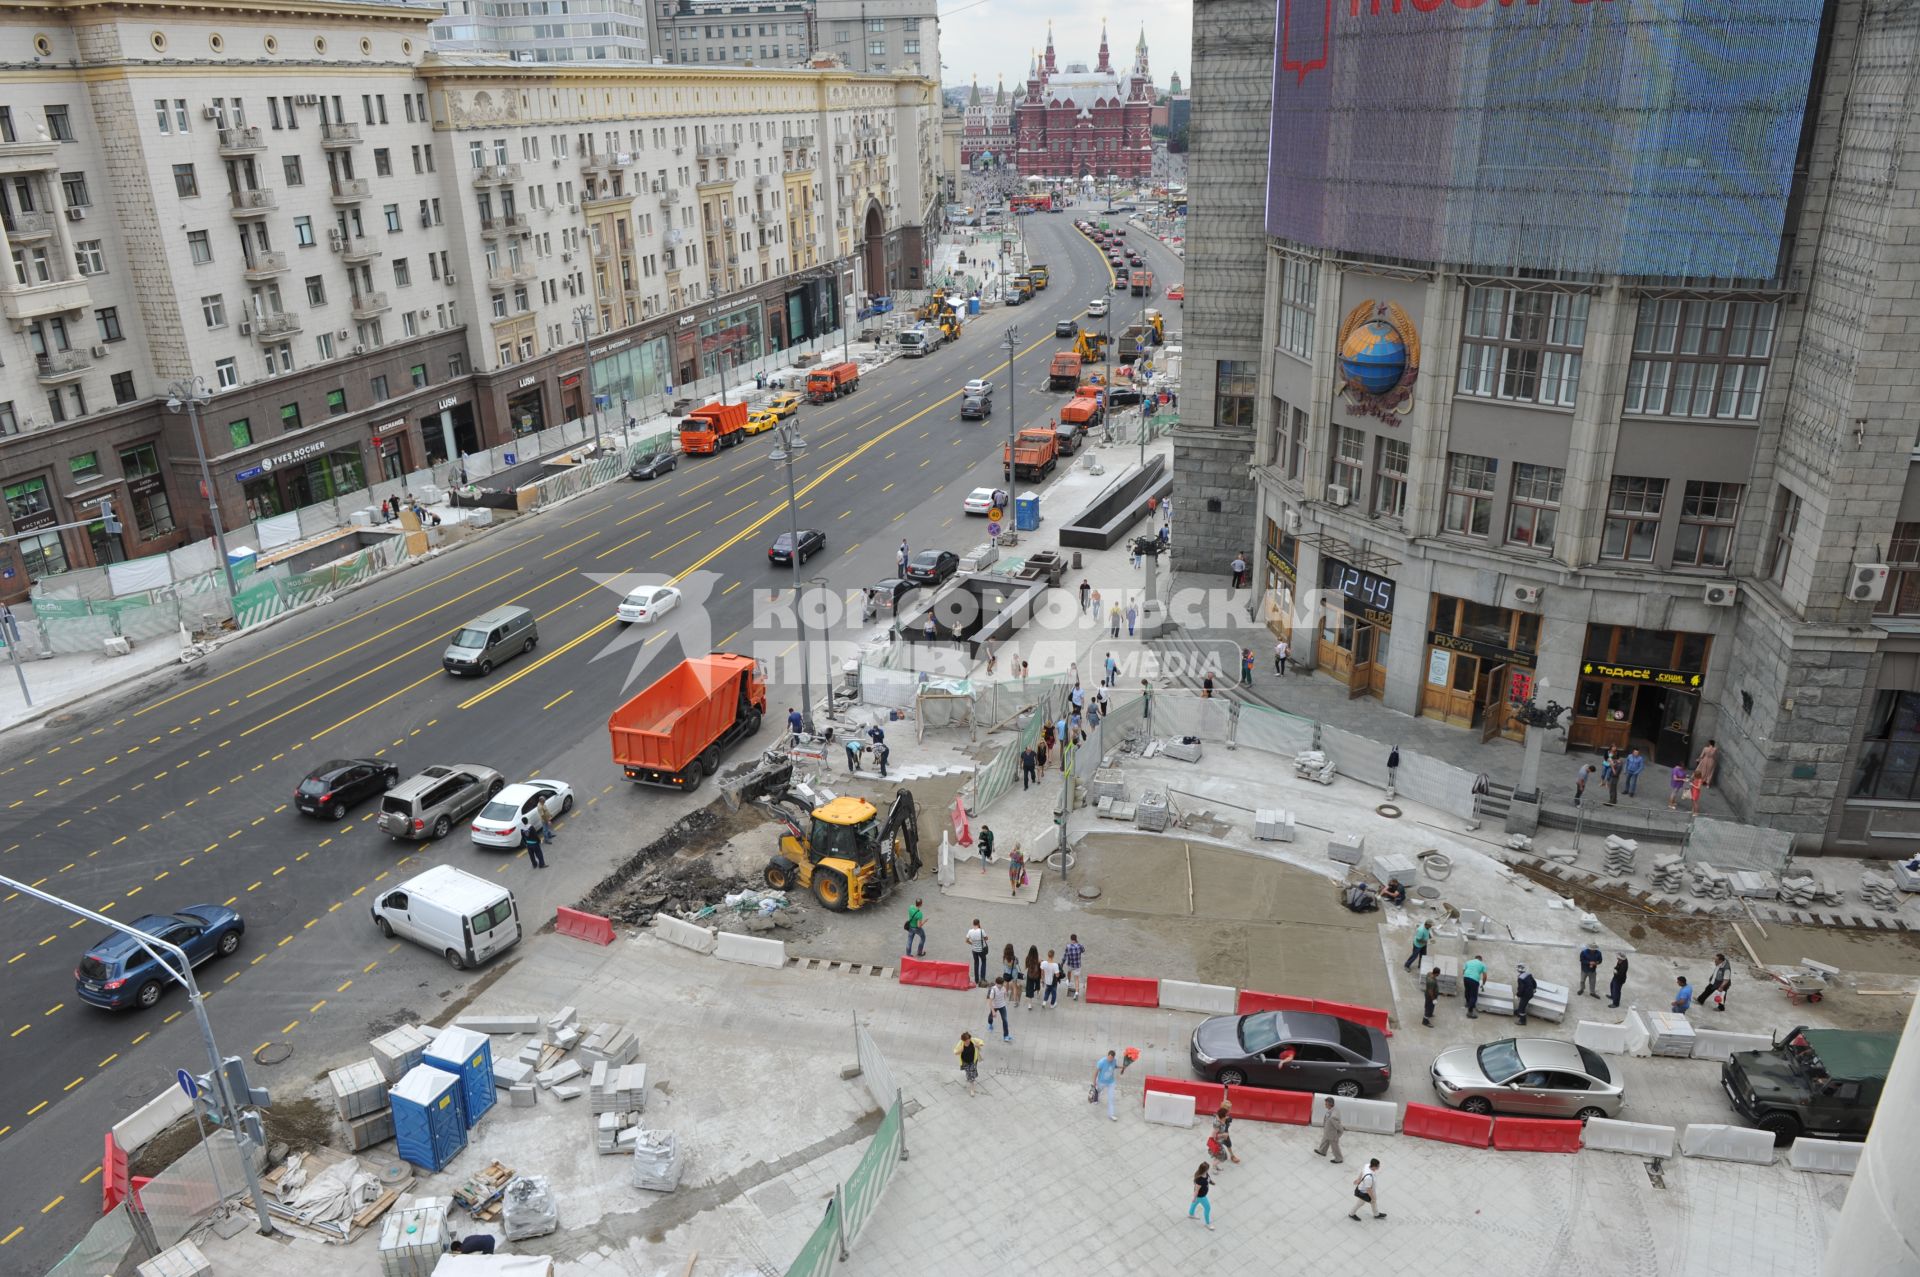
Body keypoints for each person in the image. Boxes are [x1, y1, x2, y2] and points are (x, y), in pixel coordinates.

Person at [1314, 1096, 1344, 1163]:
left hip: (1332, 1133)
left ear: (1330, 1104)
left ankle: (1339, 1159)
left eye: (1326, 1104)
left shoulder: (1333, 1116)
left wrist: (1340, 1132)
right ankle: (1322, 1151)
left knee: (1334, 1146)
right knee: (1325, 1141)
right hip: (1328, 1131)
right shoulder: (1332, 1109)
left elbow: (1338, 1125)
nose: (1325, 1105)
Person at [1212, 1101, 1242, 1166]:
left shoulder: (1225, 1115)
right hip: (1220, 1136)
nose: (1230, 1109)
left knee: (1228, 1144)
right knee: (1219, 1151)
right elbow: (1214, 1135)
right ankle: (1215, 1164)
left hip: (1225, 1133)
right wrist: (1223, 1134)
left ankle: (1232, 1156)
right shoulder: (1218, 1120)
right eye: (1229, 1108)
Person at [1092, 1050, 1120, 1120]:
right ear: (1107, 1055)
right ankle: (1095, 1098)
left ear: (1113, 1058)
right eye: (1109, 1057)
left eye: (1111, 1058)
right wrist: (1094, 1082)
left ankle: (1111, 1115)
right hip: (1101, 1082)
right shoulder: (1101, 1062)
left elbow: (1115, 1066)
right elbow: (1096, 1072)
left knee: (1111, 1098)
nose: (1109, 1059)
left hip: (1111, 1082)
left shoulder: (1114, 1061)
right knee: (1098, 1091)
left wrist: (1122, 1067)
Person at [954, 1031, 982, 1097]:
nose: (967, 1041)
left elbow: (981, 1042)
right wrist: (960, 1050)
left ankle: (972, 1090)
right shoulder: (961, 1043)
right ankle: (971, 1076)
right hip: (965, 1062)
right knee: (969, 1072)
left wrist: (977, 1045)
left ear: (969, 1038)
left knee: (971, 1076)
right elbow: (955, 1052)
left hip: (973, 1061)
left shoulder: (973, 1041)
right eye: (965, 1040)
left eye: (967, 1040)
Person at [1188, 1162, 1214, 1229]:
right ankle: (1208, 1224)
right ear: (1205, 1169)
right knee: (1208, 1208)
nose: (1209, 1169)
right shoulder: (1200, 1180)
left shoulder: (1205, 1173)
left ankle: (1191, 1214)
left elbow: (1208, 1179)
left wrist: (1211, 1182)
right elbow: (1196, 1190)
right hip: (1201, 1196)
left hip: (1201, 1195)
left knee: (1195, 1203)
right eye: (1208, 1168)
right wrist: (1194, 1197)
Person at [986, 975, 1012, 1041]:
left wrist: (1006, 993)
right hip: (994, 1006)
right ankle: (990, 1024)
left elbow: (1005, 995)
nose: (1000, 986)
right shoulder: (993, 990)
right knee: (991, 1016)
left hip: (1002, 1005)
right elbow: (990, 1002)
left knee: (1005, 1020)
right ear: (996, 983)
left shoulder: (1003, 988)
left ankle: (1006, 1036)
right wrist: (993, 1011)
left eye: (1001, 984)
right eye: (998, 984)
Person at [966, 919, 990, 986]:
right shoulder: (982, 931)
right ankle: (982, 979)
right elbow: (986, 938)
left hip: (974, 950)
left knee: (976, 963)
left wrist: (972, 944)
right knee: (983, 962)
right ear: (979, 923)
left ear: (973, 924)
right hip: (981, 950)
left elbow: (966, 940)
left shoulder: (970, 931)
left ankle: (976, 980)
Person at [1462, 953, 1487, 1018]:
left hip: (1466, 977)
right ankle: (1470, 1012)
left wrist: (1466, 977)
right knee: (1473, 996)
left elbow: (1463, 971)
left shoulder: (1468, 962)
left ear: (1475, 958)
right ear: (1481, 959)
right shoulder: (1483, 964)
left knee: (1467, 990)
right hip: (1474, 980)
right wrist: (1483, 983)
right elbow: (1485, 976)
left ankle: (1467, 1003)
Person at [1063, 933, 1084, 999]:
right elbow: (1083, 950)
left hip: (1070, 964)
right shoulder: (1080, 945)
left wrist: (1062, 963)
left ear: (1071, 939)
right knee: (1076, 979)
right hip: (1077, 965)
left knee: (1069, 972)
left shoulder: (1068, 946)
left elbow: (1065, 956)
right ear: (1076, 939)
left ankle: (1068, 981)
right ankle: (1077, 992)